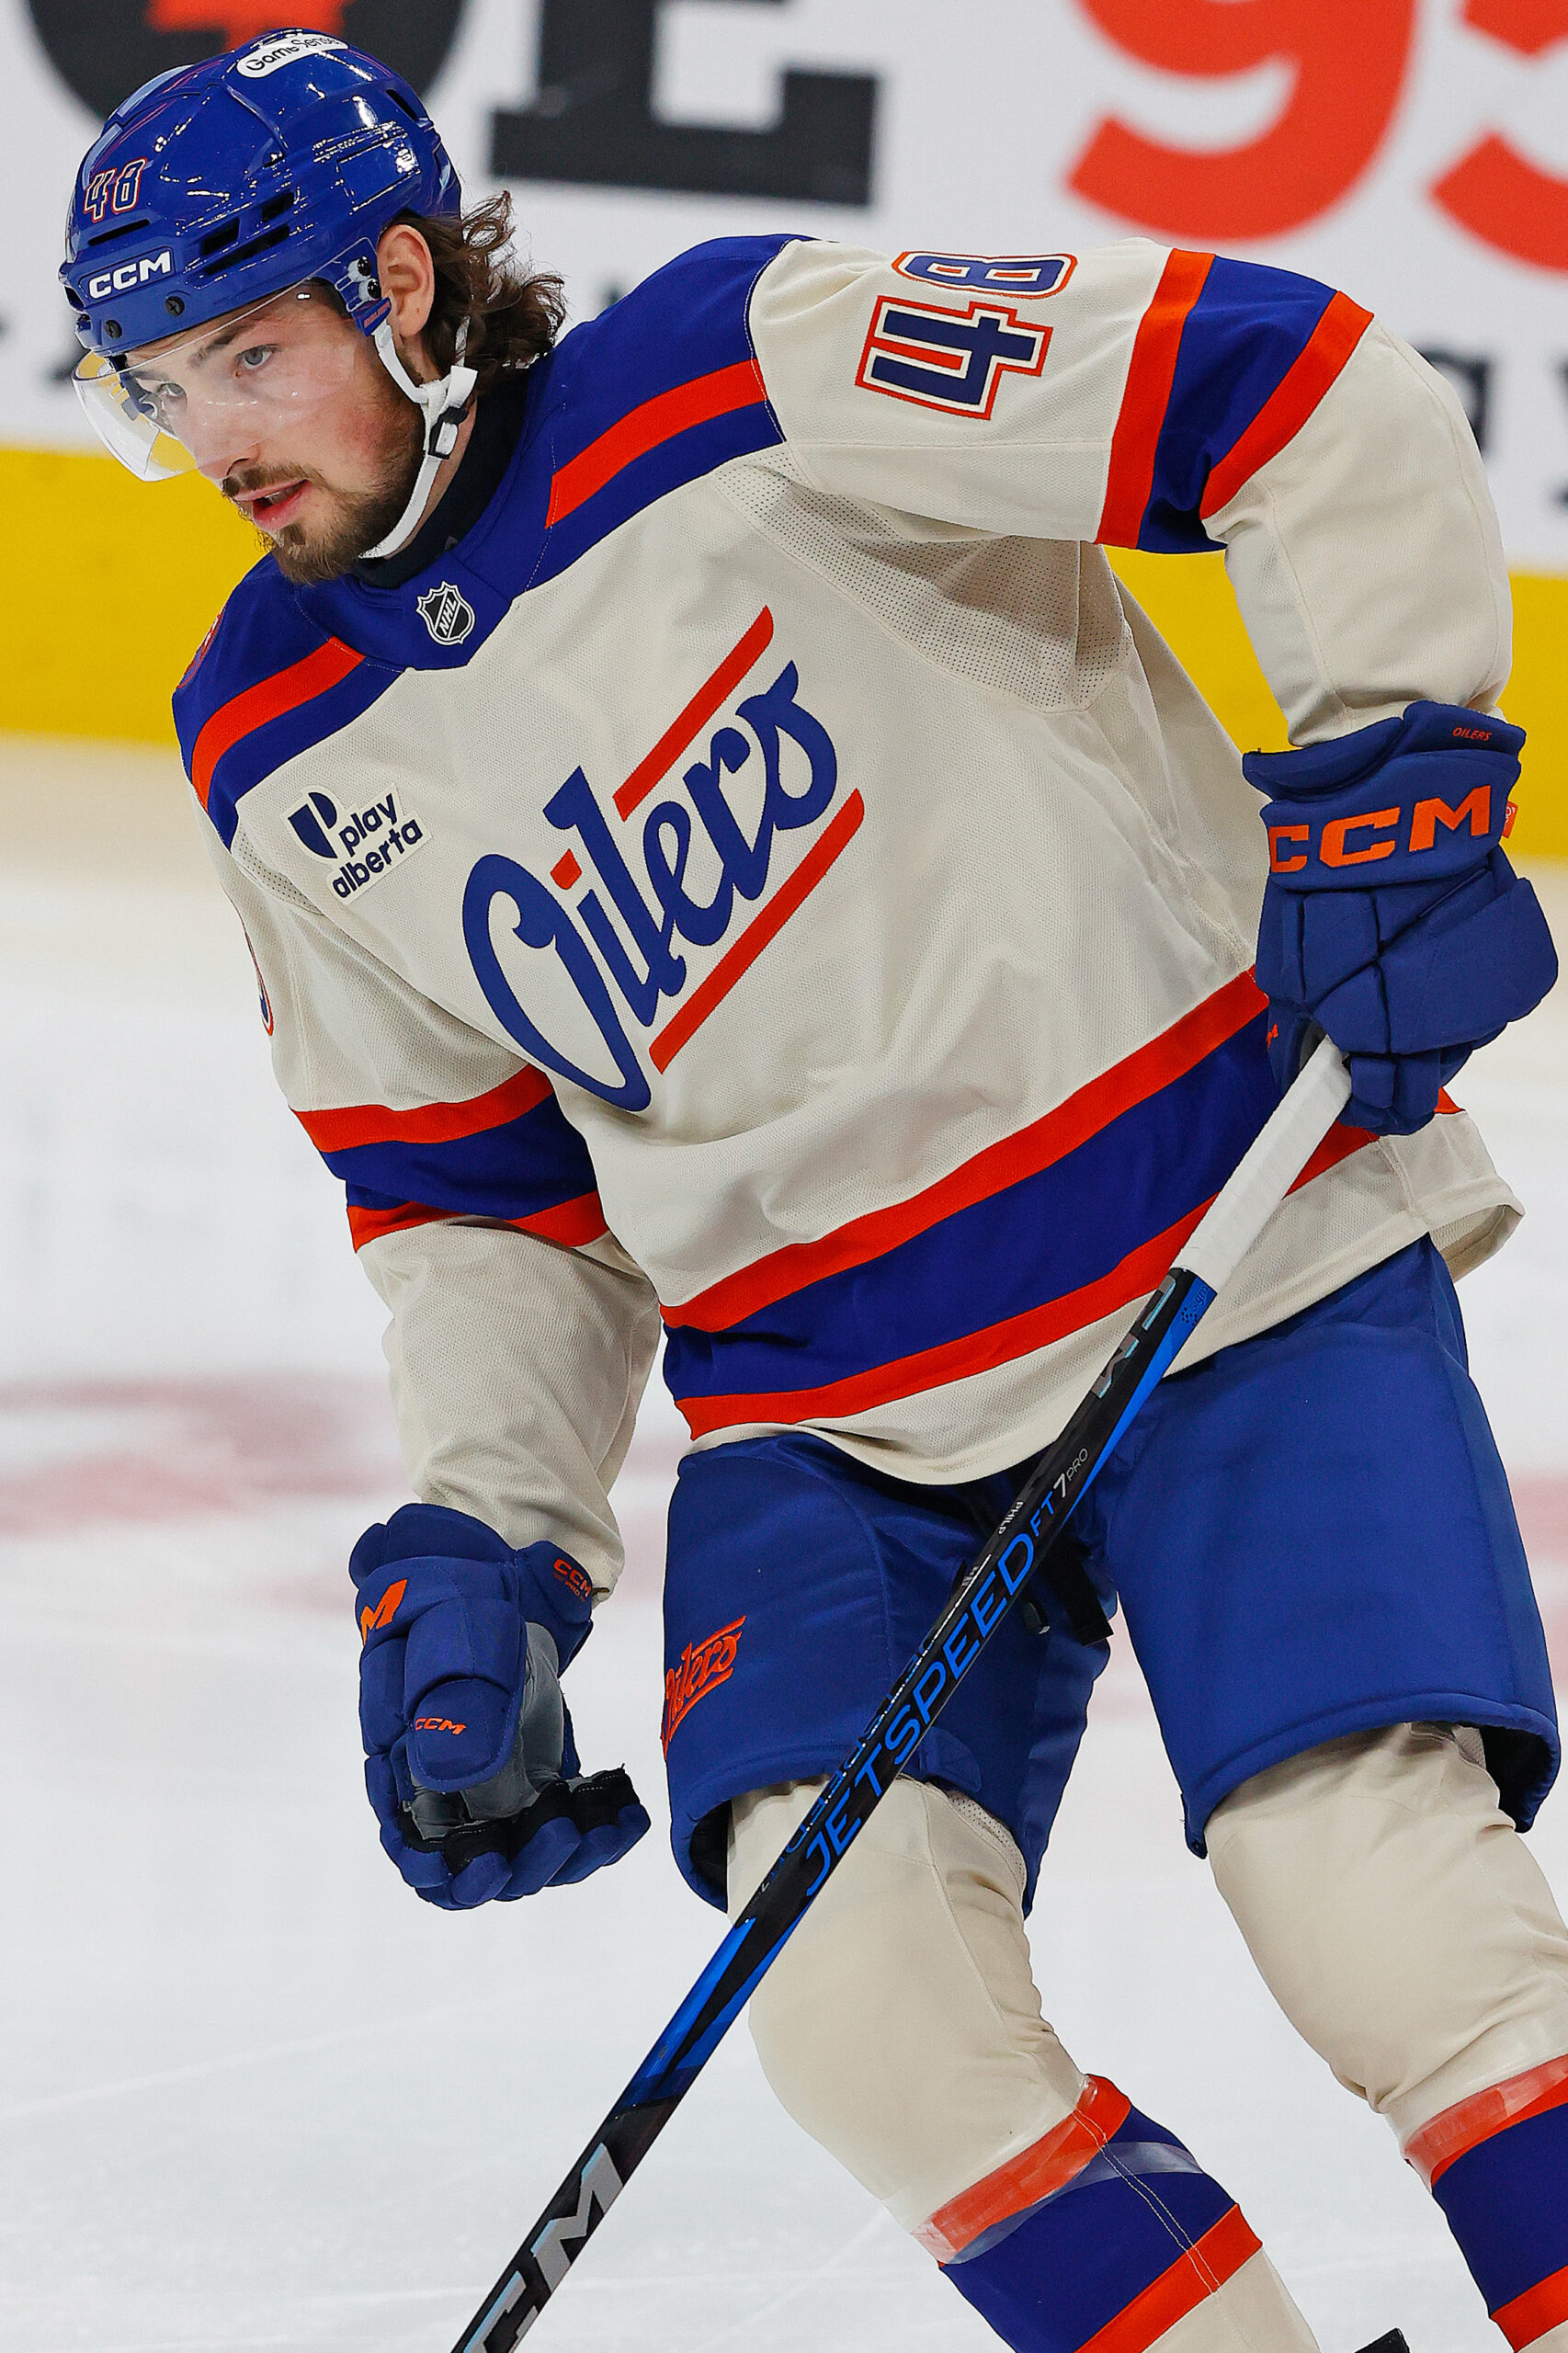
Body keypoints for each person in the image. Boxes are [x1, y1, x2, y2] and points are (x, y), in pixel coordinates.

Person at [62, 30, 1568, 2353]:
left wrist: (1402, 745)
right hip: (824, 1417)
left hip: (1223, 1249)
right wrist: (491, 1534)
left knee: (1373, 1904)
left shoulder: (743, 367)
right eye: (162, 388)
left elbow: (1290, 385)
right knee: (869, 2017)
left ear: (401, 285)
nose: (214, 441)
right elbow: (476, 1196)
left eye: (250, 355)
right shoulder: (268, 734)